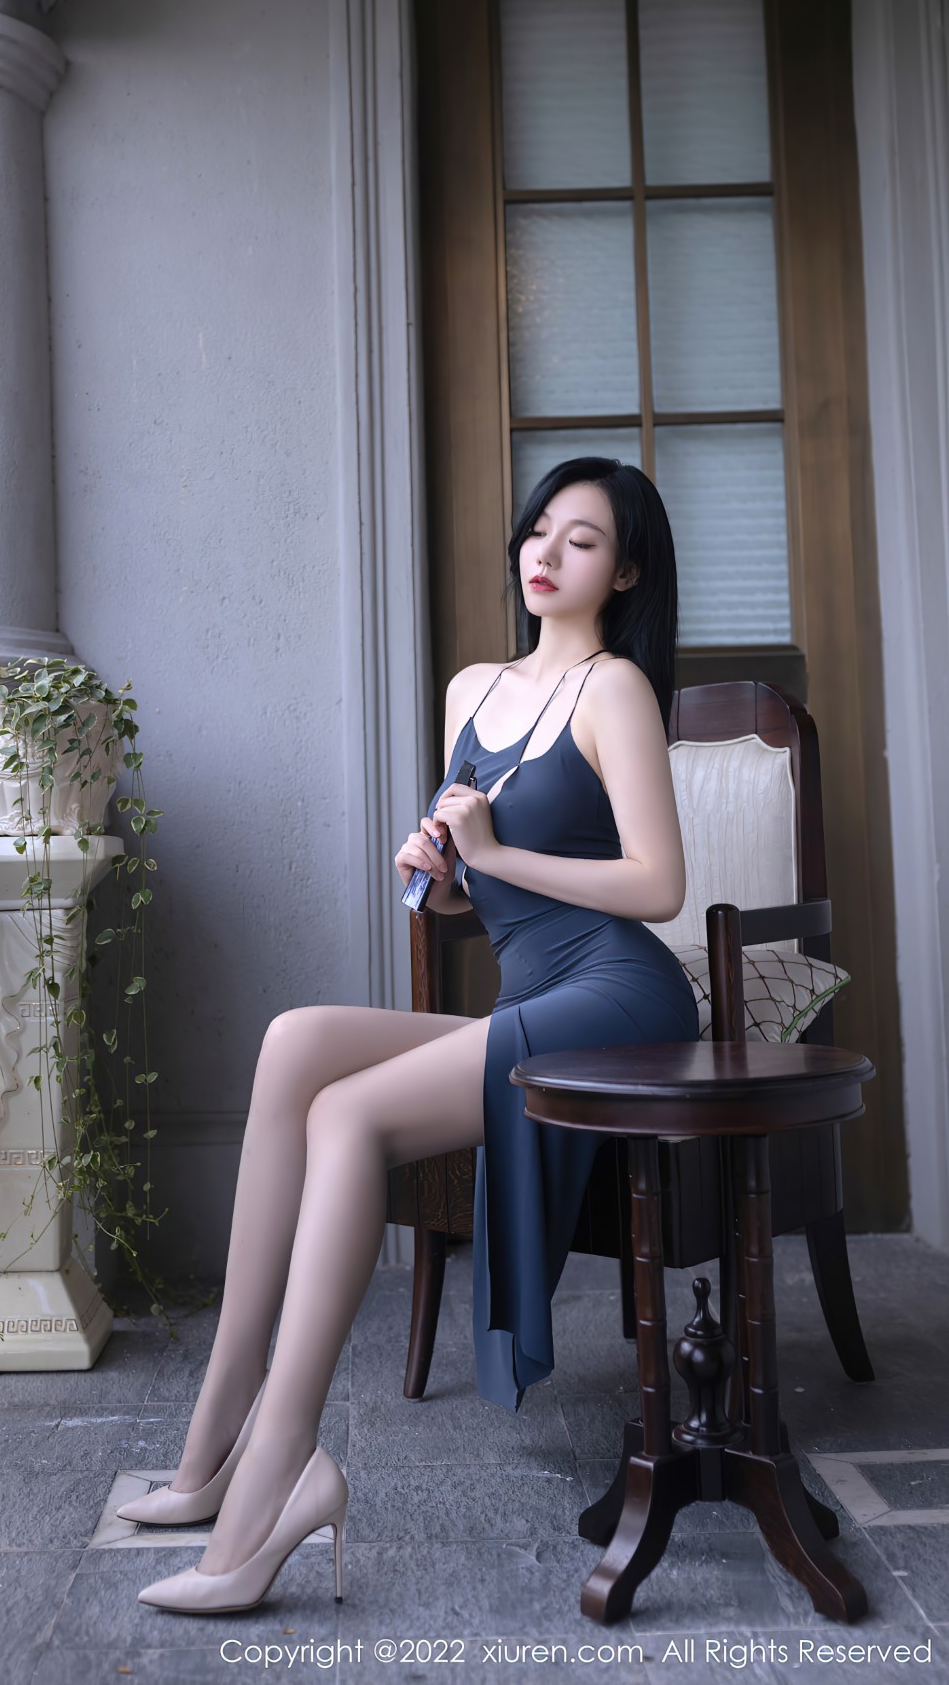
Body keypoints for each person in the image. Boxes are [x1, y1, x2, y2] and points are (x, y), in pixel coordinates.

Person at [134, 456, 701, 1614]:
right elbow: (489, 894)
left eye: (583, 539)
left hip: (620, 999)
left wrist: (491, 850)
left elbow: (658, 885)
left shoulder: (615, 691)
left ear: (625, 571)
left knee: (347, 1112)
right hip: (534, 991)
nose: (547, 552)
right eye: (539, 529)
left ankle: (282, 1470)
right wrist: (448, 883)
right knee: (295, 1042)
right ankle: (211, 1446)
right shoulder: (471, 689)